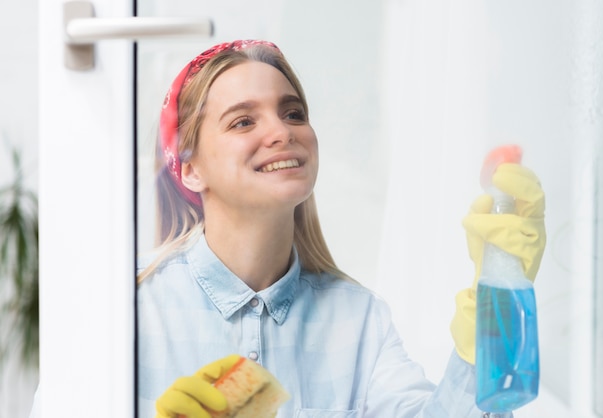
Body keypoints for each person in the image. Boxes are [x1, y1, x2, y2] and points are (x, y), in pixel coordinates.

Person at [136, 39, 546, 418]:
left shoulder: (360, 320)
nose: (282, 132)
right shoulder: (133, 309)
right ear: (190, 170)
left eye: (293, 113)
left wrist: (495, 304)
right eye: (243, 122)